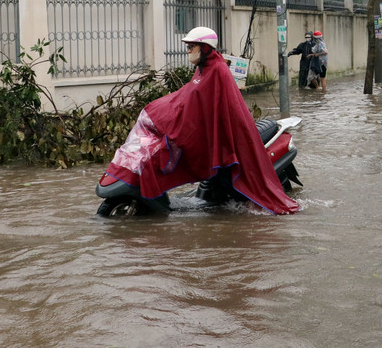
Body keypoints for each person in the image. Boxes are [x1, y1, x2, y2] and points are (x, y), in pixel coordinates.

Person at [103, 26, 299, 215]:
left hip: (224, 135)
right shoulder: (203, 68)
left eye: (191, 47)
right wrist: (160, 110)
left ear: (204, 47)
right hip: (210, 132)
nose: (188, 51)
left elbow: (206, 105)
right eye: (188, 47)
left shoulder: (218, 70)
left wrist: (175, 121)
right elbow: (187, 97)